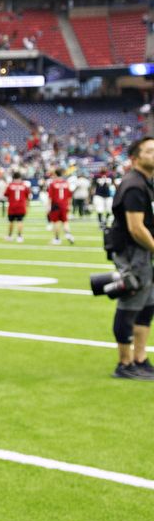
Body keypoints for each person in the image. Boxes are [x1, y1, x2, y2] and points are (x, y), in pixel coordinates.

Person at [108, 137, 154, 380]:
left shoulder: (146, 183)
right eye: (150, 151)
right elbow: (136, 228)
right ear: (135, 158)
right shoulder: (134, 185)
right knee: (130, 304)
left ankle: (140, 358)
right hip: (133, 252)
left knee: (147, 306)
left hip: (143, 251)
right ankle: (124, 364)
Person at [46, 168, 74, 245]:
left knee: (56, 222)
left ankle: (57, 239)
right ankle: (68, 234)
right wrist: (70, 205)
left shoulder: (53, 184)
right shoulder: (66, 183)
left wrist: (48, 207)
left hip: (56, 205)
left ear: (55, 174)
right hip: (65, 204)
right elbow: (69, 196)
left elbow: (50, 197)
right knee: (65, 222)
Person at [4, 172, 31, 243]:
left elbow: (6, 195)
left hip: (12, 206)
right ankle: (19, 236)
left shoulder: (10, 185)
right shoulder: (24, 186)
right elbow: (28, 197)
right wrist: (27, 206)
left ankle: (10, 236)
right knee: (20, 221)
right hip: (21, 206)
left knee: (11, 221)